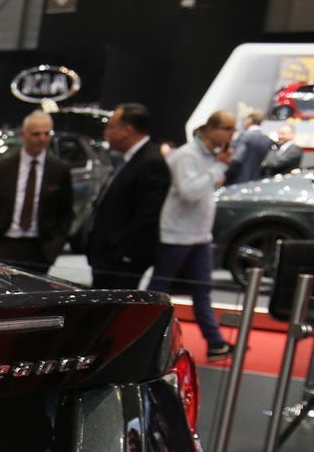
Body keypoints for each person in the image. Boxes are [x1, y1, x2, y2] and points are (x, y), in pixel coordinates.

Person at [149, 110, 236, 360]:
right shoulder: (186, 155)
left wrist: (217, 167)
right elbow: (189, 192)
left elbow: (205, 188)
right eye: (227, 128)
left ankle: (215, 342)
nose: (232, 135)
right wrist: (219, 167)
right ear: (210, 129)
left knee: (202, 291)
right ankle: (143, 336)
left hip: (199, 235)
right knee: (159, 290)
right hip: (177, 234)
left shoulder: (210, 157)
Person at [0, 110, 75, 274]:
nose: (42, 139)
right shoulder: (1, 168)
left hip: (40, 249)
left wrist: (53, 249)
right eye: (36, 134)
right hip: (3, 245)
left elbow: (66, 214)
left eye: (47, 134)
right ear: (23, 135)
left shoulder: (59, 170)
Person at [87, 103, 171, 289]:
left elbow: (147, 216)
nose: (106, 132)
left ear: (128, 130)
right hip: (107, 255)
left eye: (111, 127)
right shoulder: (128, 158)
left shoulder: (151, 163)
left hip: (122, 261)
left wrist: (121, 253)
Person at [225, 110, 271, 184]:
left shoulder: (245, 135)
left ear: (250, 120)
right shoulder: (266, 140)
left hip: (238, 179)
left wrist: (226, 174)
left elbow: (237, 159)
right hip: (256, 179)